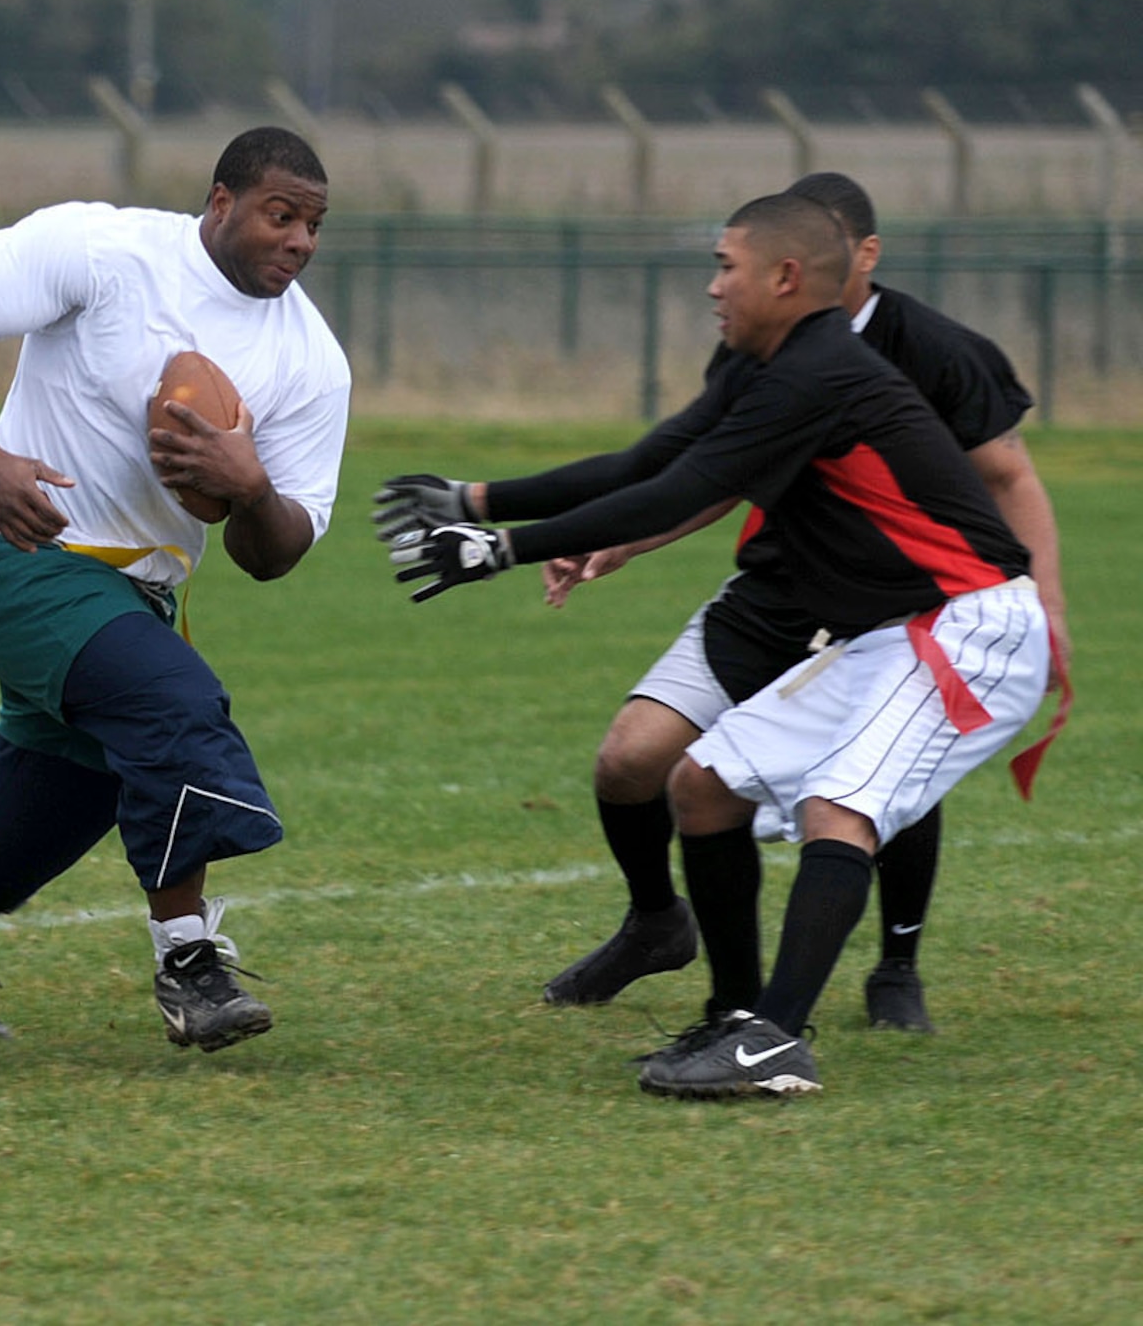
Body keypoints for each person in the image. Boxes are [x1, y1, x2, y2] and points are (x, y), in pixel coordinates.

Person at [383, 193, 1050, 1096]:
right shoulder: (768, 364)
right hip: (889, 626)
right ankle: (734, 1016)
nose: (712, 287)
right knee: (698, 783)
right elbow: (646, 467)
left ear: (785, 277)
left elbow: (680, 491)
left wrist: (503, 548)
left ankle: (776, 1041)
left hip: (969, 628)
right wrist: (478, 504)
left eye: (726, 266)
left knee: (839, 807)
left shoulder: (821, 373)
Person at [0, 126, 351, 1052]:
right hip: (10, 550)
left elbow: (275, 550)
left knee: (69, 781)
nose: (300, 239)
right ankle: (190, 962)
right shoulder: (105, 249)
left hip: (136, 597)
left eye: (314, 224)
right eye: (281, 213)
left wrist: (248, 481)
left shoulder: (311, 359)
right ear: (220, 203)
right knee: (170, 700)